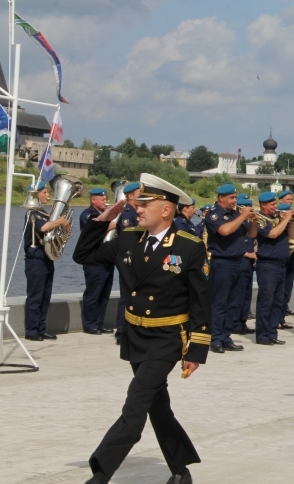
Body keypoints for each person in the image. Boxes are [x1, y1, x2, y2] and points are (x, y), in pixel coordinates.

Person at [75, 173, 211, 484]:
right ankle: (181, 470)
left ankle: (100, 474)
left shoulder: (189, 247)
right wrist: (100, 222)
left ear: (166, 209)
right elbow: (83, 256)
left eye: (146, 202)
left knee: (136, 401)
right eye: (138, 201)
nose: (138, 206)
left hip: (167, 338)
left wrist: (197, 349)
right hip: (135, 336)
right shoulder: (127, 238)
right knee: (156, 405)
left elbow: (201, 301)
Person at [204, 184, 256, 353]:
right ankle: (215, 339)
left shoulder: (235, 214)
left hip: (238, 262)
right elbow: (225, 231)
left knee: (233, 303)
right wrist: (243, 216)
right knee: (219, 302)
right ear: (221, 198)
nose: (235, 201)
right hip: (222, 263)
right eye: (232, 198)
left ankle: (226, 336)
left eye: (235, 197)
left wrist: (254, 220)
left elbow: (252, 234)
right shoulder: (214, 214)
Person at [23, 181, 67, 341]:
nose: (48, 195)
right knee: (35, 297)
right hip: (35, 260)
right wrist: (60, 221)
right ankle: (32, 331)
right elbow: (43, 228)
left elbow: (52, 229)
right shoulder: (32, 213)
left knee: (45, 296)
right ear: (36, 195)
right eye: (44, 192)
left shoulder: (44, 213)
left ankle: (41, 328)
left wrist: (64, 228)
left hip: (47, 259)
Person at [254, 193, 294, 345]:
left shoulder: (277, 220)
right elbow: (272, 234)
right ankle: (262, 335)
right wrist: (285, 219)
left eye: (274, 204)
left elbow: (291, 237)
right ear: (263, 205)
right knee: (266, 300)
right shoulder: (260, 220)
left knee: (278, 301)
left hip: (281, 264)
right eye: (272, 204)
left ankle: (272, 333)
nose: (275, 207)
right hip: (267, 265)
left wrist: (292, 221)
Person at [79, 187, 115, 336]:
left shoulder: (103, 215)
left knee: (104, 293)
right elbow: (97, 228)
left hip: (107, 259)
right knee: (93, 293)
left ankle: (100, 323)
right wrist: (116, 221)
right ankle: (89, 324)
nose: (105, 201)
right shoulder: (87, 214)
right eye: (102, 199)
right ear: (93, 200)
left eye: (106, 199)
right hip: (93, 260)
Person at [113, 182, 141, 345]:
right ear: (130, 196)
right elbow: (129, 238)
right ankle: (121, 332)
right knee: (126, 296)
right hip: (128, 260)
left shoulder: (137, 213)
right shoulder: (127, 215)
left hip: (136, 260)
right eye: (139, 193)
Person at [231, 194, 257, 336]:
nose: (250, 208)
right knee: (238, 296)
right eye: (247, 206)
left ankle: (242, 321)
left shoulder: (247, 223)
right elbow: (234, 246)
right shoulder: (235, 223)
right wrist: (247, 254)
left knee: (246, 295)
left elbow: (252, 237)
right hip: (240, 263)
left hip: (248, 265)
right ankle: (235, 323)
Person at [278, 189, 294, 322]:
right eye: (288, 199)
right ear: (281, 200)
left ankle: (285, 305)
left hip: (293, 249)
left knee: (290, 280)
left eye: (291, 199)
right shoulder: (279, 214)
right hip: (282, 251)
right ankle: (280, 310)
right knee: (283, 280)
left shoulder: (293, 214)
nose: (290, 202)